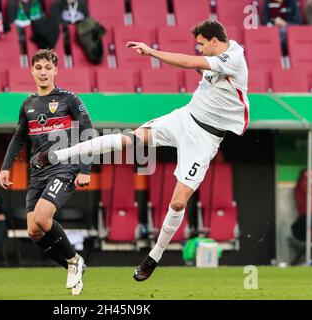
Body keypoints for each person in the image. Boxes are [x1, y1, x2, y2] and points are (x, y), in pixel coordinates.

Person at [31, 20, 249, 281]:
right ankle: (55, 155)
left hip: (205, 139)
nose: (199, 48)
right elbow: (205, 75)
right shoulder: (219, 57)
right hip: (185, 118)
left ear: (215, 41)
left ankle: (153, 257)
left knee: (178, 202)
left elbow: (191, 63)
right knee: (127, 139)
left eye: (201, 44)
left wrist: (153, 52)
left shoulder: (233, 58)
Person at [0, 49, 94, 295]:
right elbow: (19, 137)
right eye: (38, 68)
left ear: (55, 71)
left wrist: (84, 169)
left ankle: (74, 260)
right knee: (33, 230)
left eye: (47, 68)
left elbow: (88, 131)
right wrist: (5, 167)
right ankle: (73, 265)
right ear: (31, 70)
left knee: (42, 217)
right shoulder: (28, 104)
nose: (43, 72)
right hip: (37, 173)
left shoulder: (69, 98)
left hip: (64, 167)